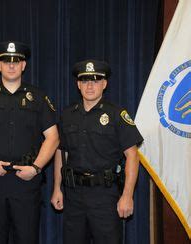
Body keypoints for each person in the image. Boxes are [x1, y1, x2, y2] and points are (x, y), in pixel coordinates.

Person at [0, 41, 59, 244]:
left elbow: (53, 137)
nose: (11, 65)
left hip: (26, 182)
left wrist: (36, 167)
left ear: (24, 65)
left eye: (17, 61)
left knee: (27, 239)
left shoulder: (39, 97)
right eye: (6, 61)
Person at [51, 59, 144, 244]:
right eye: (85, 81)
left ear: (104, 84)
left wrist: (127, 195)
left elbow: (132, 155)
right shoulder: (68, 114)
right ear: (78, 84)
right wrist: (56, 188)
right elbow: (62, 153)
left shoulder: (116, 114)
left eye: (95, 80)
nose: (90, 86)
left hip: (105, 195)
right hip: (74, 194)